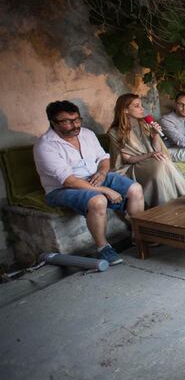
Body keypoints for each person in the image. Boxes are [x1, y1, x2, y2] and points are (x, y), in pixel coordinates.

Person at [33, 101, 145, 266]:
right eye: (67, 121)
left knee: (135, 189)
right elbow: (69, 181)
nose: (74, 125)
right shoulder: (45, 146)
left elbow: (103, 158)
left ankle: (138, 235)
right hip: (62, 188)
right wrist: (105, 189)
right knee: (98, 200)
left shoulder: (87, 134)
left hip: (94, 176)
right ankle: (103, 248)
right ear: (53, 122)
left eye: (77, 119)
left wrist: (102, 172)